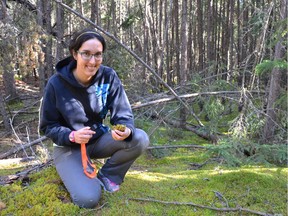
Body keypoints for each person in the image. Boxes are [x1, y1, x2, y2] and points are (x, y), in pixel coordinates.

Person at [39, 28, 150, 208]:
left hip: (98, 140)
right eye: (86, 54)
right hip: (68, 147)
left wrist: (125, 128)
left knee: (139, 138)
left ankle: (108, 176)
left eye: (98, 55)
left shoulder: (108, 76)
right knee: (88, 199)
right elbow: (48, 126)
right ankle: (80, 174)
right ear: (75, 54)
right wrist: (71, 136)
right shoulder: (56, 83)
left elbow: (123, 112)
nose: (93, 61)